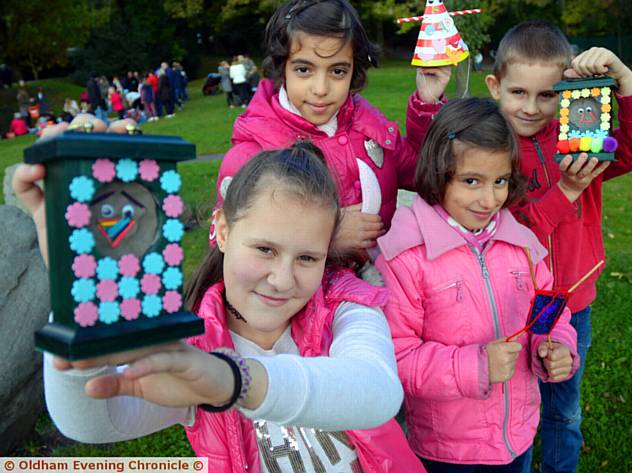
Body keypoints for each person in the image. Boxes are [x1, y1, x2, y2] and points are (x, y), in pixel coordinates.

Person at [14, 142, 425, 473]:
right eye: (265, 249)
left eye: (307, 258)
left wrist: (232, 380)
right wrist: (76, 296)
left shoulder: (347, 307)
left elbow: (376, 391)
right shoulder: (193, 345)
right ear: (223, 231)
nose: (282, 279)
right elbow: (93, 420)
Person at [375, 98, 580, 473]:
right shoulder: (405, 256)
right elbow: (396, 357)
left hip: (515, 436)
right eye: (472, 182)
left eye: (500, 181)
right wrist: (475, 366)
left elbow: (549, 309)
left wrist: (555, 345)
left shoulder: (520, 242)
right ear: (440, 172)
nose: (489, 199)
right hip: (445, 449)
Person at [482, 21, 632, 473]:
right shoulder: (488, 148)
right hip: (508, 304)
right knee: (509, 408)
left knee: (562, 409)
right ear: (496, 87)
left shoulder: (581, 137)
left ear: (566, 93)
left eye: (547, 95)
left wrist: (624, 81)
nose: (531, 108)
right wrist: (567, 191)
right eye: (518, 93)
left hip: (569, 303)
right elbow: (509, 229)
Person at [211, 0, 443, 260]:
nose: (320, 89)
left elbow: (424, 174)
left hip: (385, 288)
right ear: (282, 66)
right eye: (303, 69)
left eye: (337, 71)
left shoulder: (370, 128)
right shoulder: (249, 157)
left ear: (354, 70)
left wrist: (427, 103)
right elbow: (228, 253)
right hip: (300, 298)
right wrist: (326, 236)